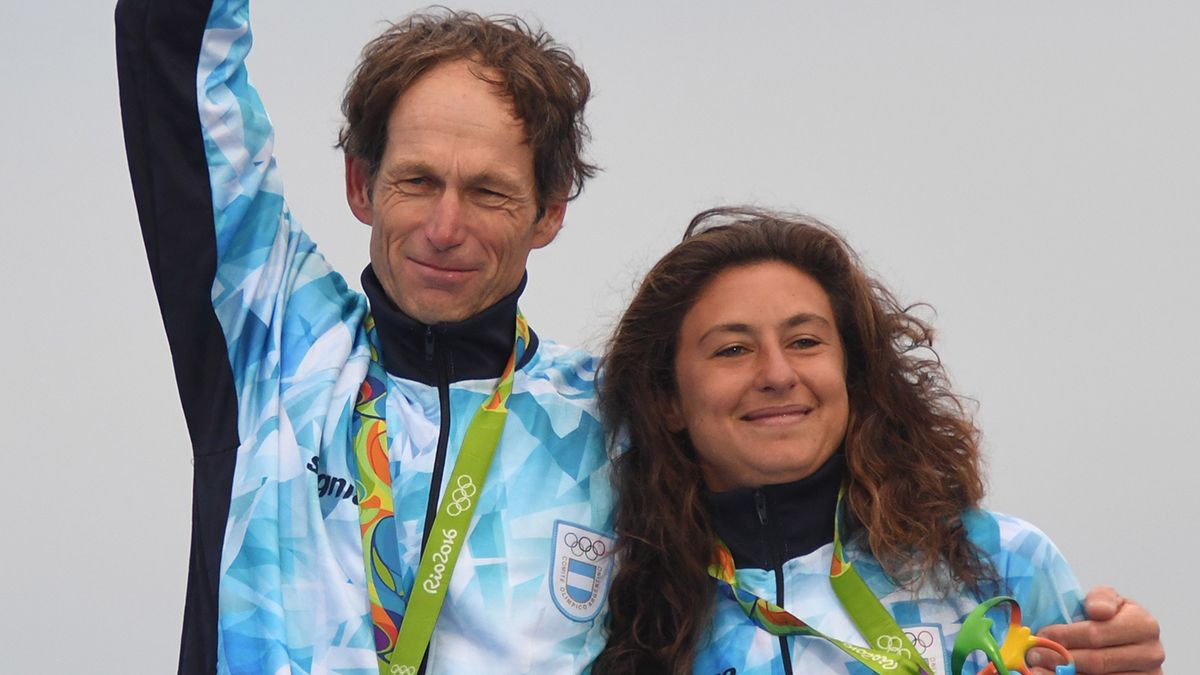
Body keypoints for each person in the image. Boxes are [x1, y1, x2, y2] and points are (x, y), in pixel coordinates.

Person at [114, 1, 1162, 673]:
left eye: (488, 192)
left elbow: (825, 527)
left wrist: (1069, 635)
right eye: (416, 182)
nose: (445, 227)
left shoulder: (613, 423)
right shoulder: (272, 345)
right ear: (358, 184)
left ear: (551, 209)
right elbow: (176, 64)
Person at [594, 208, 1163, 675]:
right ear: (667, 398)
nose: (776, 373)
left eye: (805, 341)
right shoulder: (617, 598)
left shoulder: (1002, 562)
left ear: (852, 372)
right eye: (733, 350)